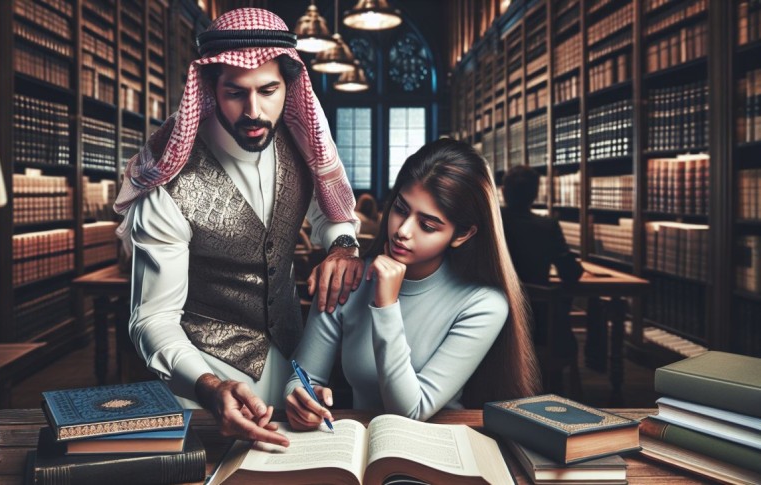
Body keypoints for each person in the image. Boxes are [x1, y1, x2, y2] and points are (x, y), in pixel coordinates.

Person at [117, 9, 366, 447]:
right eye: (236, 93)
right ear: (211, 89)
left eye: (268, 91)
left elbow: (331, 209)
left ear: (289, 88)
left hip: (292, 366)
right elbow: (152, 319)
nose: (254, 110)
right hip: (205, 380)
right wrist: (209, 386)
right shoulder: (169, 183)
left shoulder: (302, 143)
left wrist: (342, 245)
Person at [284, 138, 540, 430]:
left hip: (438, 453)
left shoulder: (483, 304)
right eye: (400, 209)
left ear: (463, 234)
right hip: (357, 451)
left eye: (428, 226)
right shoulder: (348, 278)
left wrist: (387, 305)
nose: (403, 231)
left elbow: (410, 411)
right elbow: (301, 376)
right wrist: (300, 397)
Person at [500, 165, 583, 386]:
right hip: (539, 323)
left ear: (503, 191)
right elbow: (570, 273)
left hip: (497, 319)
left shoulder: (492, 223)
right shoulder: (547, 226)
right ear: (535, 194)